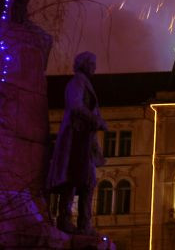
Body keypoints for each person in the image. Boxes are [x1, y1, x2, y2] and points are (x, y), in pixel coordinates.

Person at [48, 52, 107, 234]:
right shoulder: (77, 83)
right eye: (92, 64)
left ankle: (84, 223)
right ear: (84, 65)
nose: (95, 68)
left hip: (85, 140)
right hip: (75, 137)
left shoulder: (85, 84)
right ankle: (65, 219)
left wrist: (98, 120)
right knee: (72, 178)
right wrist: (96, 121)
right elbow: (75, 105)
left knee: (88, 180)